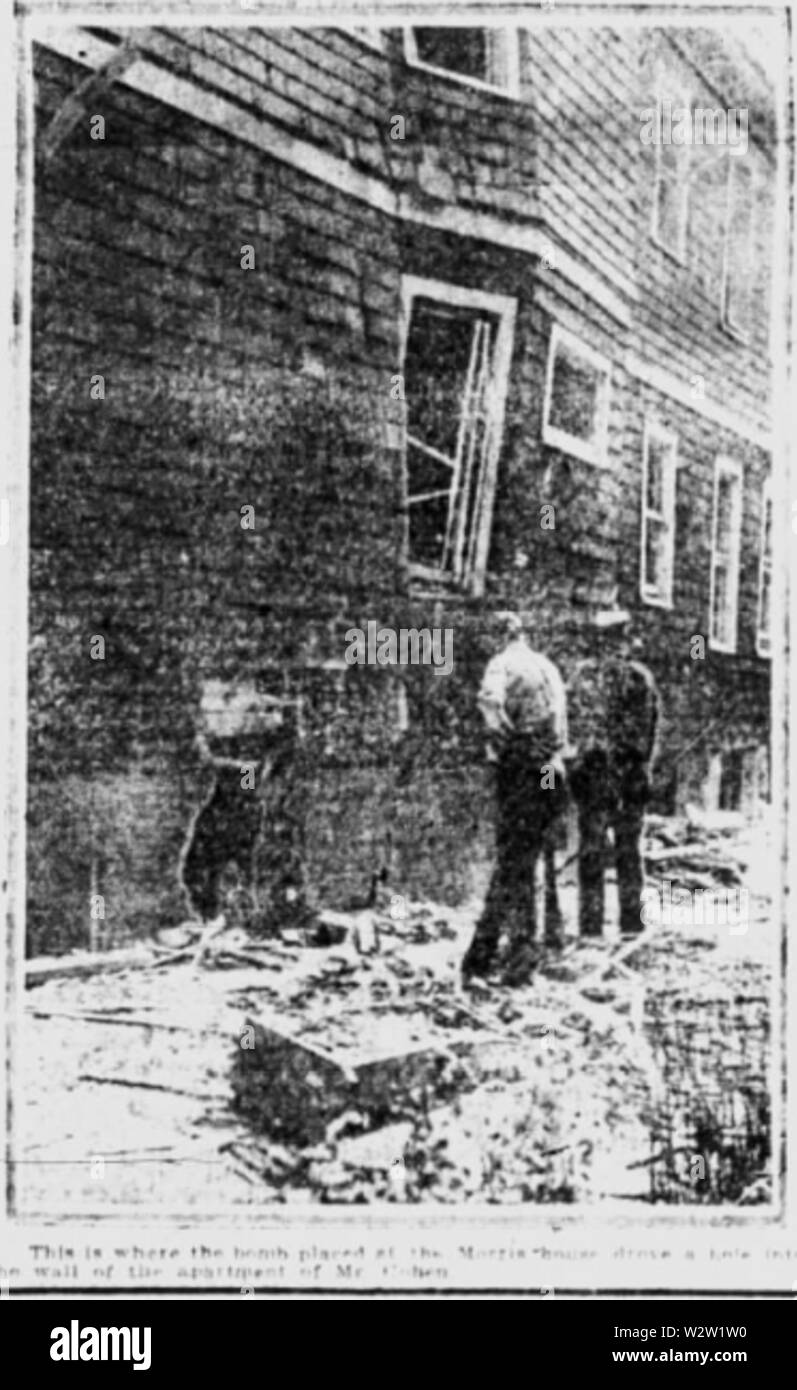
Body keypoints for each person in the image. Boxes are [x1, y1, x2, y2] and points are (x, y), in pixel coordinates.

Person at [462, 612, 569, 985]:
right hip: (549, 771)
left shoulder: (501, 665)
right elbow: (560, 725)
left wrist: (506, 745)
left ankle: (508, 956)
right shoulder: (548, 667)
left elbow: (491, 707)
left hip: (523, 769)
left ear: (497, 637)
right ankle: (521, 945)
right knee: (531, 857)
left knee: (514, 861)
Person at [566, 608, 659, 939]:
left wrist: (577, 766)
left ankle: (593, 927)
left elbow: (573, 732)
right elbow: (647, 736)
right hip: (622, 777)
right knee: (626, 852)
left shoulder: (583, 677)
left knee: (597, 850)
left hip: (600, 776)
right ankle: (629, 925)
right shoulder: (638, 678)